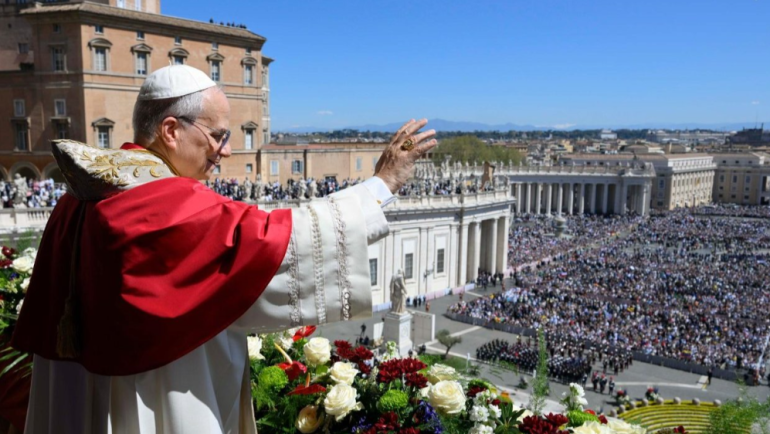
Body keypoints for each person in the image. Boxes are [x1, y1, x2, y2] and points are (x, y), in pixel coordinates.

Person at [12, 65, 438, 434]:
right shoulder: (163, 201)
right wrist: (381, 185)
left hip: (79, 397)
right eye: (218, 136)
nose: (228, 150)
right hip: (154, 397)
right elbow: (273, 242)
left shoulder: (80, 196)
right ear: (171, 131)